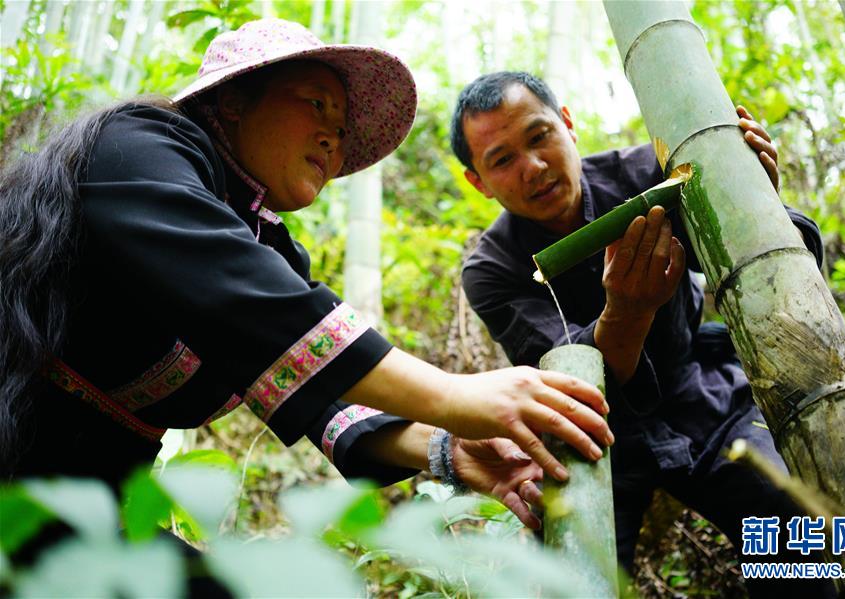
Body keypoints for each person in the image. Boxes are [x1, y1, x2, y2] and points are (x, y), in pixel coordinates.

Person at [0, 20, 613, 522]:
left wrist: (445, 448)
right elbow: (243, 299)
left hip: (86, 507)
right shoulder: (136, 144)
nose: (333, 137)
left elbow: (315, 388)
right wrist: (454, 395)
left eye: (343, 127)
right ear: (235, 100)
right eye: (316, 104)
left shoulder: (272, 249)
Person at [451, 71, 835, 595]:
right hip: (594, 438)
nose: (533, 167)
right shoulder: (490, 269)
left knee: (803, 541)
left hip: (701, 397)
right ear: (479, 181)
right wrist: (625, 313)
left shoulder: (651, 174)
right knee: (568, 582)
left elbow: (753, 264)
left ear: (567, 124)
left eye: (539, 137)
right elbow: (570, 382)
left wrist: (752, 202)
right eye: (502, 159)